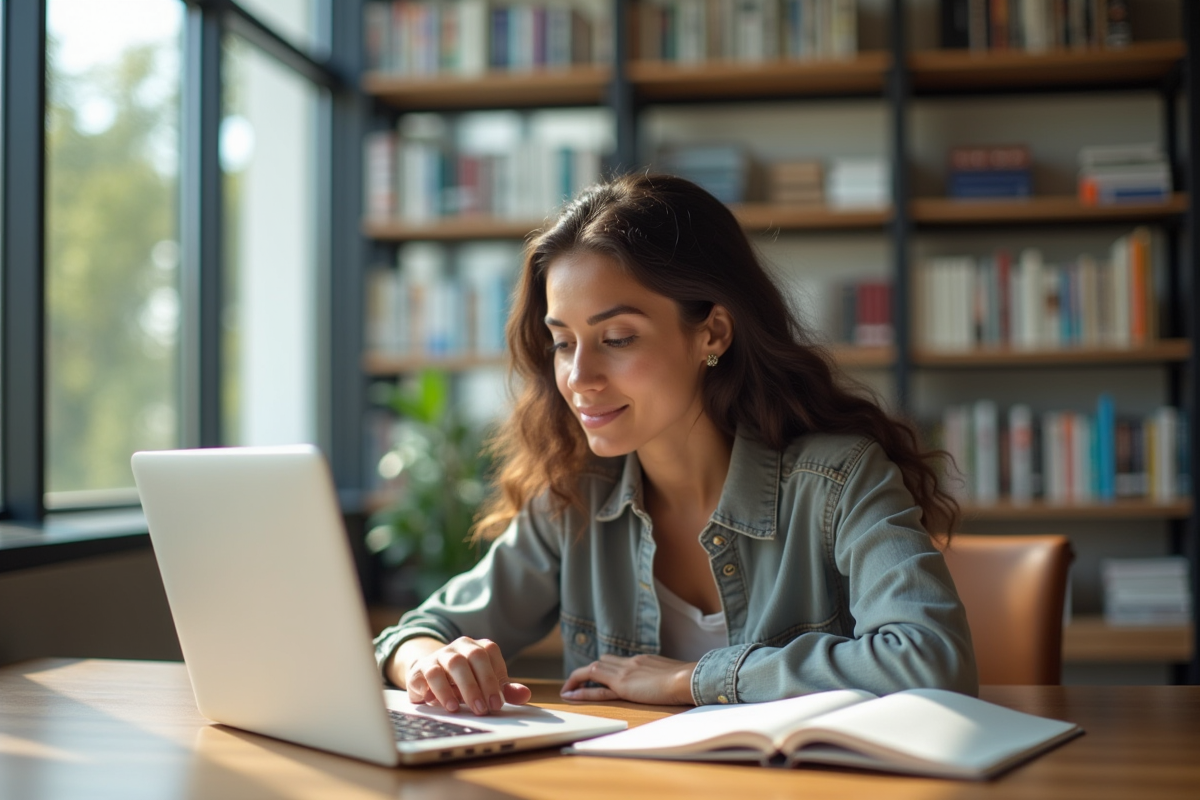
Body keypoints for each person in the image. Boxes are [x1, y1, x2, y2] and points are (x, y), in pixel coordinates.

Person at [374, 173, 977, 717]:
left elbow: (930, 660)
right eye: (562, 343)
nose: (579, 377)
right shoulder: (574, 498)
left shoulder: (840, 481)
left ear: (711, 332)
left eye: (617, 337)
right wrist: (429, 661)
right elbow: (419, 631)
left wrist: (690, 681)